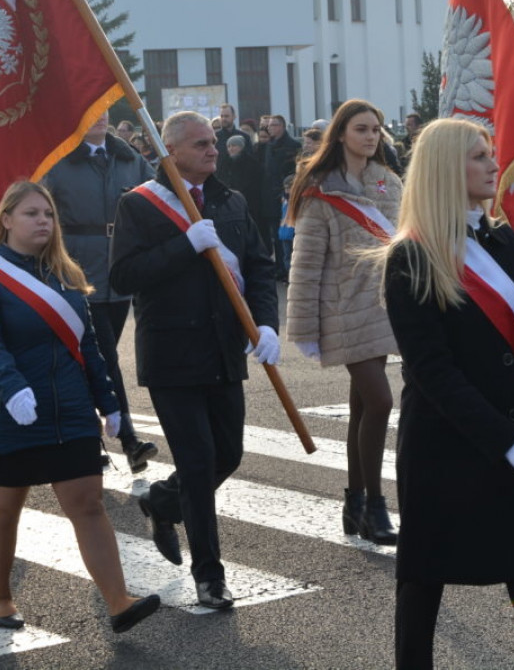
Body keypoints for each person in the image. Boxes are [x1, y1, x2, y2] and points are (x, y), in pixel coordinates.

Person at [383, 118, 514, 670]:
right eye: (478, 156)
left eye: (491, 153)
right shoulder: (411, 256)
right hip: (446, 450)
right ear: (447, 168)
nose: (494, 164)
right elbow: (432, 370)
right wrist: (506, 440)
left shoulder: (501, 238)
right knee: (424, 582)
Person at [0, 181, 160, 633]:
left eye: (48, 215)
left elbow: (88, 345)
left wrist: (108, 403)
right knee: (6, 507)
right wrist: (12, 389)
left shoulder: (65, 273)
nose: (43, 222)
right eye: (31, 214)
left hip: (68, 408)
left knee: (88, 503)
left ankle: (118, 602)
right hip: (7, 411)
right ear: (6, 219)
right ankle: (0, 596)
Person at [110, 110, 279, 610]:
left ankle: (163, 500)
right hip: (173, 354)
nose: (213, 149)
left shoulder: (230, 200)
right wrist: (184, 246)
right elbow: (124, 276)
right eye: (201, 143)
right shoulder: (139, 205)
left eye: (213, 141)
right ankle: (210, 575)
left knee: (228, 455)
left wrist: (266, 323)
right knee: (200, 462)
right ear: (173, 151)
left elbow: (259, 266)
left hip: (223, 350)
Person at [286, 98, 401, 545]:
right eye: (361, 129)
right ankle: (374, 503)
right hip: (340, 311)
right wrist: (304, 328)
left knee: (362, 408)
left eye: (376, 129)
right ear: (341, 135)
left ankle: (354, 504)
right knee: (380, 403)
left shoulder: (388, 182)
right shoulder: (318, 189)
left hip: (383, 309)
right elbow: (306, 264)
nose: (371, 136)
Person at [42, 111, 159, 473]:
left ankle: (85, 436)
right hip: (77, 270)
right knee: (105, 356)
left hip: (119, 269)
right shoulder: (58, 161)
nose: (99, 117)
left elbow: (157, 199)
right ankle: (128, 437)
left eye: (104, 109)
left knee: (90, 362)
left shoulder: (129, 158)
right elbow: (41, 214)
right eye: (90, 110)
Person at [258, 114, 301, 278]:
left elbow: (291, 172)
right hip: (269, 196)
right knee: (275, 235)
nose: (270, 128)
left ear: (282, 127)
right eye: (269, 125)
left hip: (285, 196)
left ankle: (288, 268)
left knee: (288, 235)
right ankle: (279, 268)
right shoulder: (269, 145)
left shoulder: (292, 145)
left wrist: (283, 191)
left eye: (274, 125)